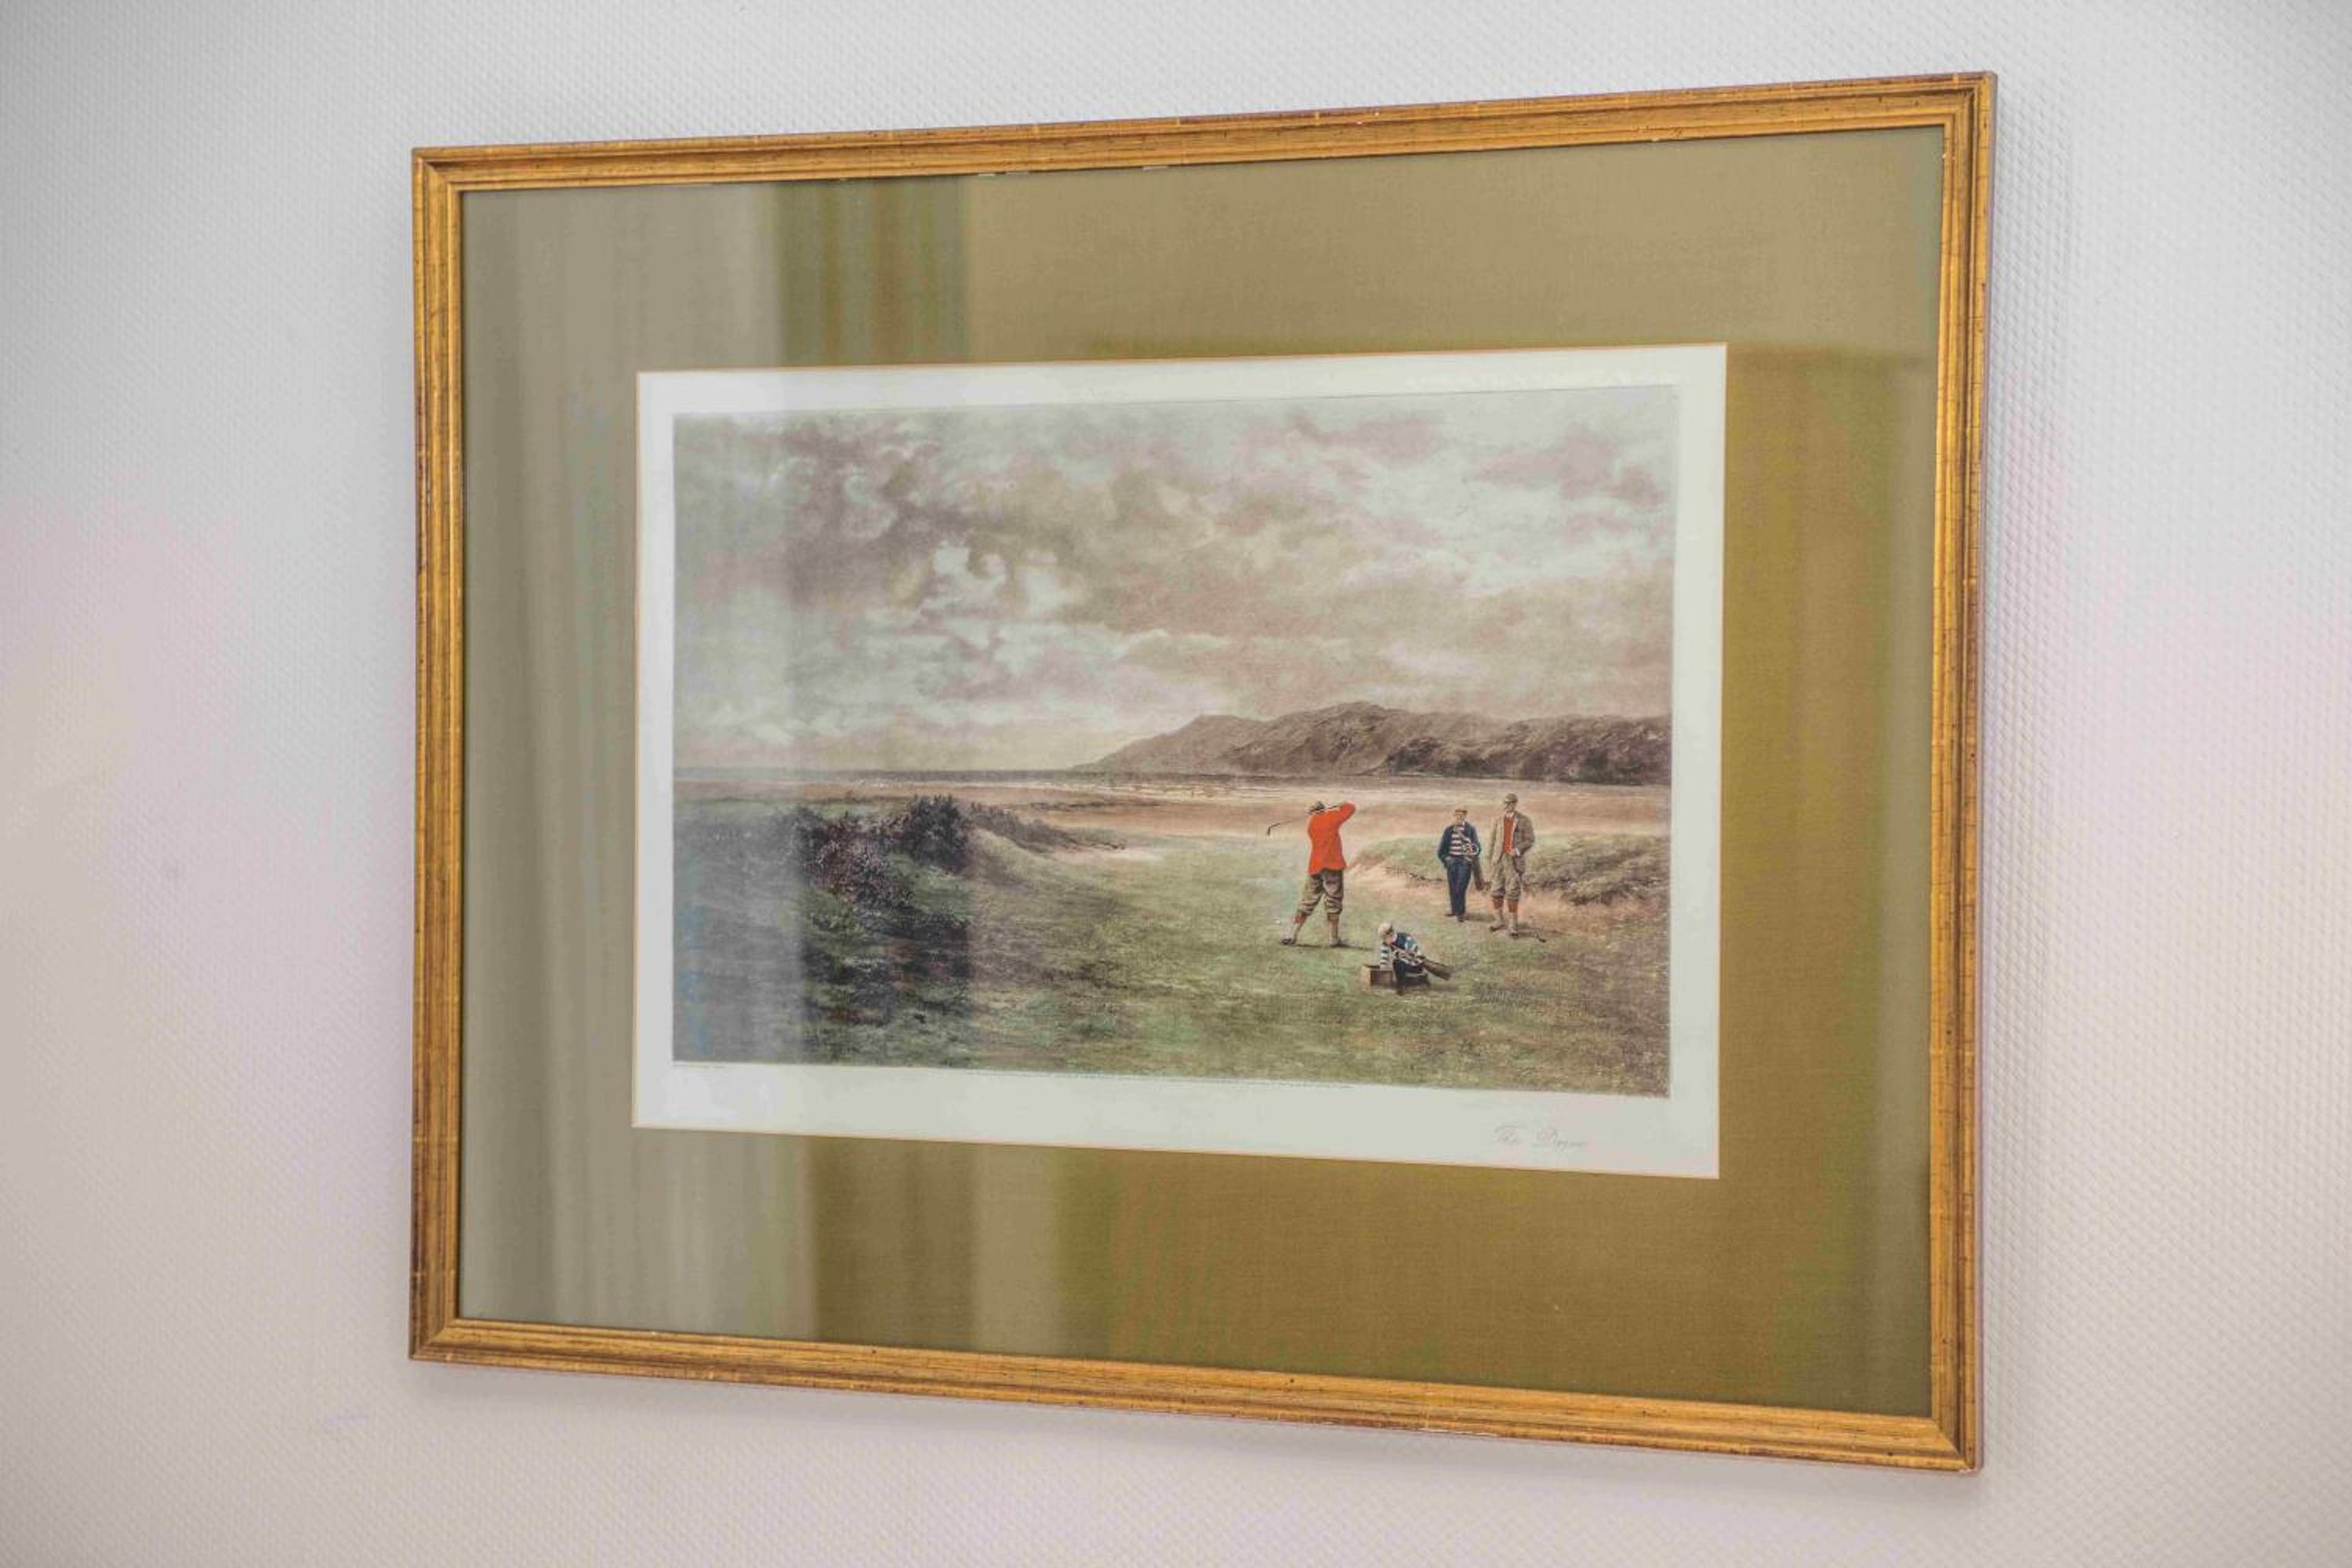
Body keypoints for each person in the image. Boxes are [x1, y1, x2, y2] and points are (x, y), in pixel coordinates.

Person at [1281, 800, 1356, 947]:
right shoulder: (1330, 817)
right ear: (1323, 809)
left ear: (1312, 813)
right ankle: (1333, 939)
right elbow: (1351, 808)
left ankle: (1292, 934)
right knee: (1334, 902)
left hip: (1315, 867)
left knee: (1308, 900)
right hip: (1332, 866)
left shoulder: (1312, 825)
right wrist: (1340, 805)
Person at [1485, 791, 1536, 935]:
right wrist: (1490, 860)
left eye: (1511, 803)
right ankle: (1499, 920)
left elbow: (1530, 840)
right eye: (1506, 803)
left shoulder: (1524, 820)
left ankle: (1513, 925)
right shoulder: (1497, 820)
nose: (1508, 806)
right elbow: (1492, 841)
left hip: (1514, 861)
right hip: (1498, 860)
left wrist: (1517, 850)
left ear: (1515, 804)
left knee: (1513, 892)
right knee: (1496, 890)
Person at [1434, 807, 1482, 921]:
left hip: (1465, 863)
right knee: (1453, 887)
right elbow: (1441, 850)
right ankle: (1454, 910)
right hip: (1452, 862)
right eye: (1457, 815)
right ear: (1454, 816)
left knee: (1461, 888)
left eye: (1462, 815)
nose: (1459, 817)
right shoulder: (1449, 830)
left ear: (1465, 816)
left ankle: (1461, 912)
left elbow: (1478, 847)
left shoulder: (1470, 829)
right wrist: (1447, 859)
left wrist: (1471, 854)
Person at [1376, 920, 1431, 989]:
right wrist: (1383, 966)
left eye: (1385, 938)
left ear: (1391, 934)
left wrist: (1407, 955)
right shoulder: (1386, 943)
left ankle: (1403, 985)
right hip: (1404, 964)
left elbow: (1417, 957)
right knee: (1397, 963)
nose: (1384, 940)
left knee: (1397, 962)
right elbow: (1384, 957)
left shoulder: (1406, 939)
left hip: (1416, 965)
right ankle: (1402, 983)